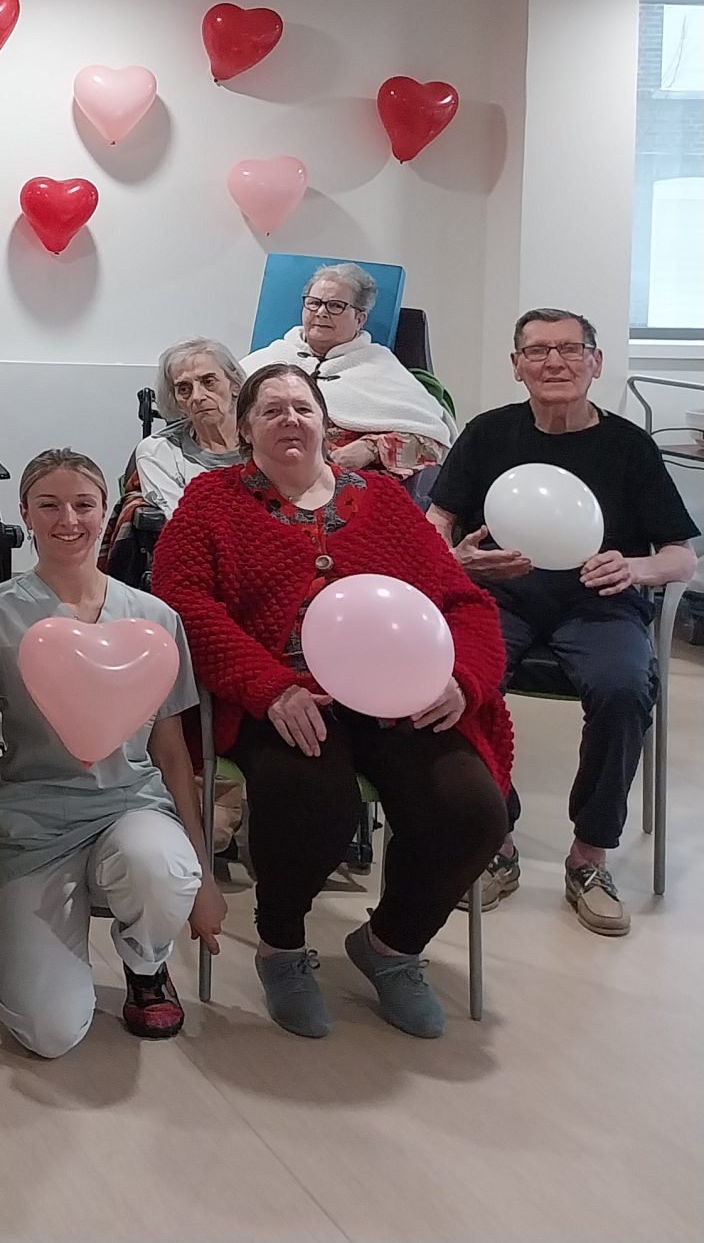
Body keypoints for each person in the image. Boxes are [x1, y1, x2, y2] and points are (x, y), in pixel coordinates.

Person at [150, 364, 511, 1039]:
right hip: (280, 694)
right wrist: (268, 685)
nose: (290, 419)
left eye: (302, 408)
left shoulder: (380, 498)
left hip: (395, 694)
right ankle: (283, 947)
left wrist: (461, 680)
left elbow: (463, 600)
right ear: (246, 427)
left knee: (470, 808)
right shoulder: (212, 500)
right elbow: (182, 602)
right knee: (313, 800)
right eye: (272, 410)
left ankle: (391, 948)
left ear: (324, 421)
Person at [428, 309, 695, 936]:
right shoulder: (489, 433)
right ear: (516, 365)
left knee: (625, 688)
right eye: (538, 351)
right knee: (459, 683)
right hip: (501, 593)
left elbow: (682, 555)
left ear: (595, 363)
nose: (555, 362)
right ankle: (497, 837)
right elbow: (438, 520)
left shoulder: (629, 446)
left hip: (599, 600)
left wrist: (632, 568)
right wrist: (455, 558)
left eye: (571, 349)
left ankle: (590, 856)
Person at [0, 450, 222, 1056]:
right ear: (25, 513)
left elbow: (172, 752)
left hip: (130, 809)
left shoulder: (153, 617)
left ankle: (144, 962)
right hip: (30, 821)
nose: (68, 520)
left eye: (84, 505)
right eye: (49, 505)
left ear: (107, 513)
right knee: (50, 1034)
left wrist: (205, 875)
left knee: (161, 868)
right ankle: (51, 951)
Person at [238, 263, 452, 479]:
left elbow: (431, 443)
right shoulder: (269, 358)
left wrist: (372, 448)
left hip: (344, 487)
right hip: (259, 476)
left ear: (360, 319)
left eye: (335, 306)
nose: (321, 313)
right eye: (314, 303)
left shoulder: (382, 369)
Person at [131, 338, 247, 528]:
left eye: (208, 382)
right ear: (175, 399)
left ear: (234, 383)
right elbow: (184, 522)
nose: (197, 396)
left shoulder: (266, 441)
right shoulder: (159, 452)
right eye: (184, 389)